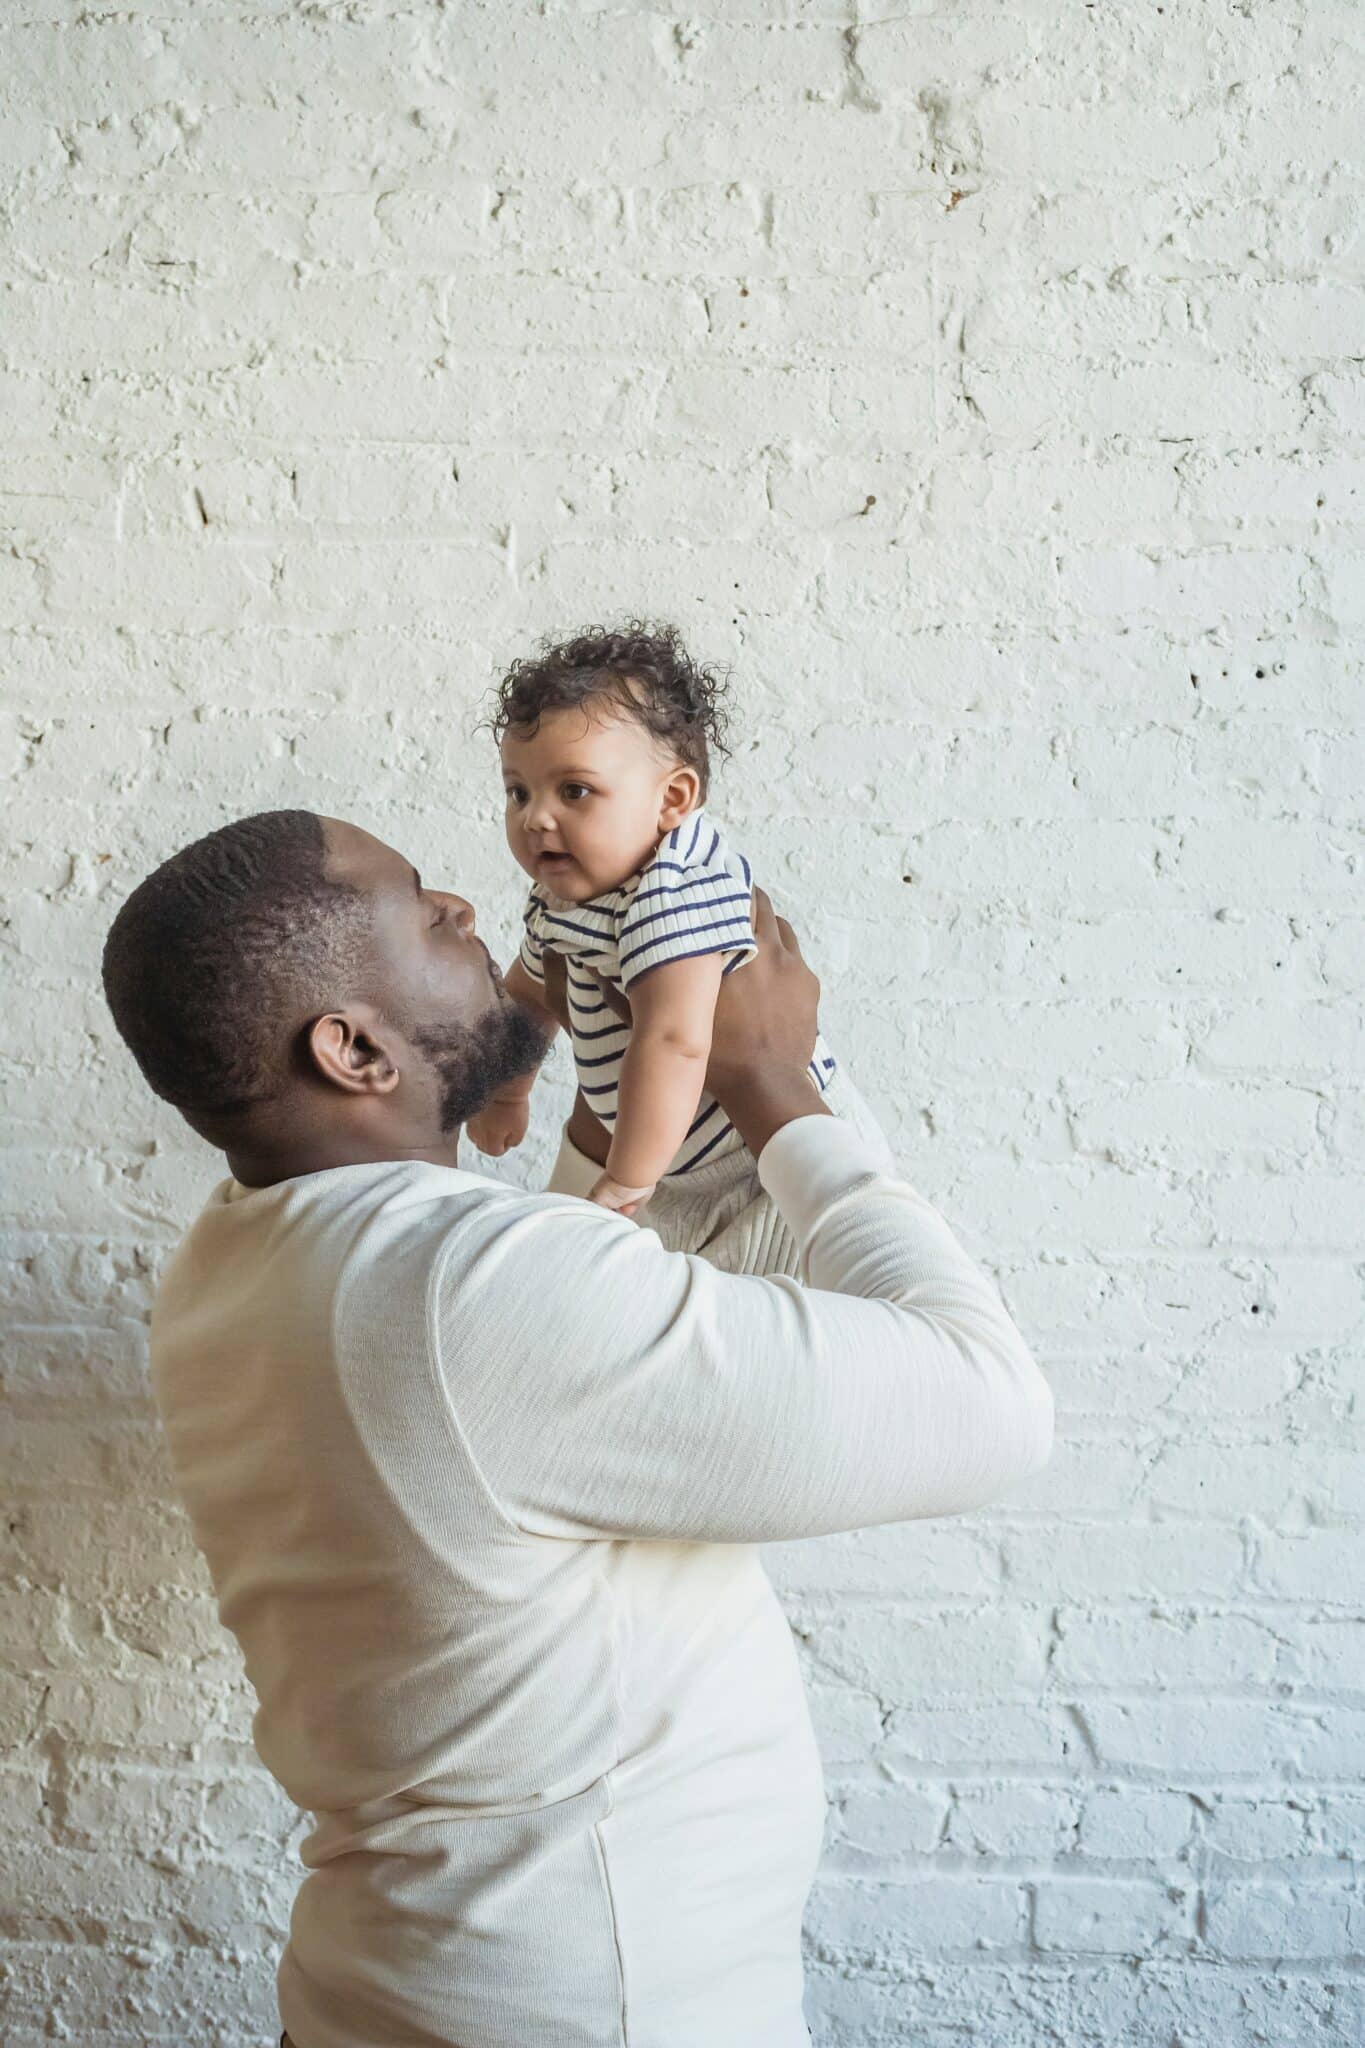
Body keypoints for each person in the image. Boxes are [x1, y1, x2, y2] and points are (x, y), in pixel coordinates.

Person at [100, 808, 1054, 2048]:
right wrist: (776, 1080)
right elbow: (991, 1401)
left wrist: (617, 1094)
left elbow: (544, 1351)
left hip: (391, 2000)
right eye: (416, 904)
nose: (460, 905)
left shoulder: (238, 1259)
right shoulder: (466, 1290)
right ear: (351, 1047)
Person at [468, 623, 860, 1267]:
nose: (537, 817)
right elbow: (528, 995)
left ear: (673, 799)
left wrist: (627, 1179)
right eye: (519, 791)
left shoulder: (674, 892)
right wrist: (507, 1088)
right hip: (666, 1152)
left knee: (768, 1292)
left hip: (750, 1164)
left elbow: (675, 1039)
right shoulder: (566, 892)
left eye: (574, 791)